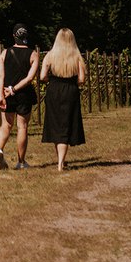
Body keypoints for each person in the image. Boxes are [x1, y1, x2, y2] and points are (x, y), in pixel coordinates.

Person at [40, 28, 86, 171]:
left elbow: (42, 77)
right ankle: (61, 162)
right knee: (66, 124)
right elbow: (82, 79)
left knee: (56, 125)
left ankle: (60, 160)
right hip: (70, 91)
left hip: (54, 90)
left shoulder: (50, 56)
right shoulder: (77, 57)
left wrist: (52, 79)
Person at [0, 23, 39, 170]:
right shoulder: (33, 54)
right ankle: (21, 162)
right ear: (26, 36)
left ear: (14, 36)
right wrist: (14, 89)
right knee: (22, 127)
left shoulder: (5, 53)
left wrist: (2, 94)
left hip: (6, 93)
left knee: (5, 125)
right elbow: (29, 79)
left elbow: (1, 76)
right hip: (23, 94)